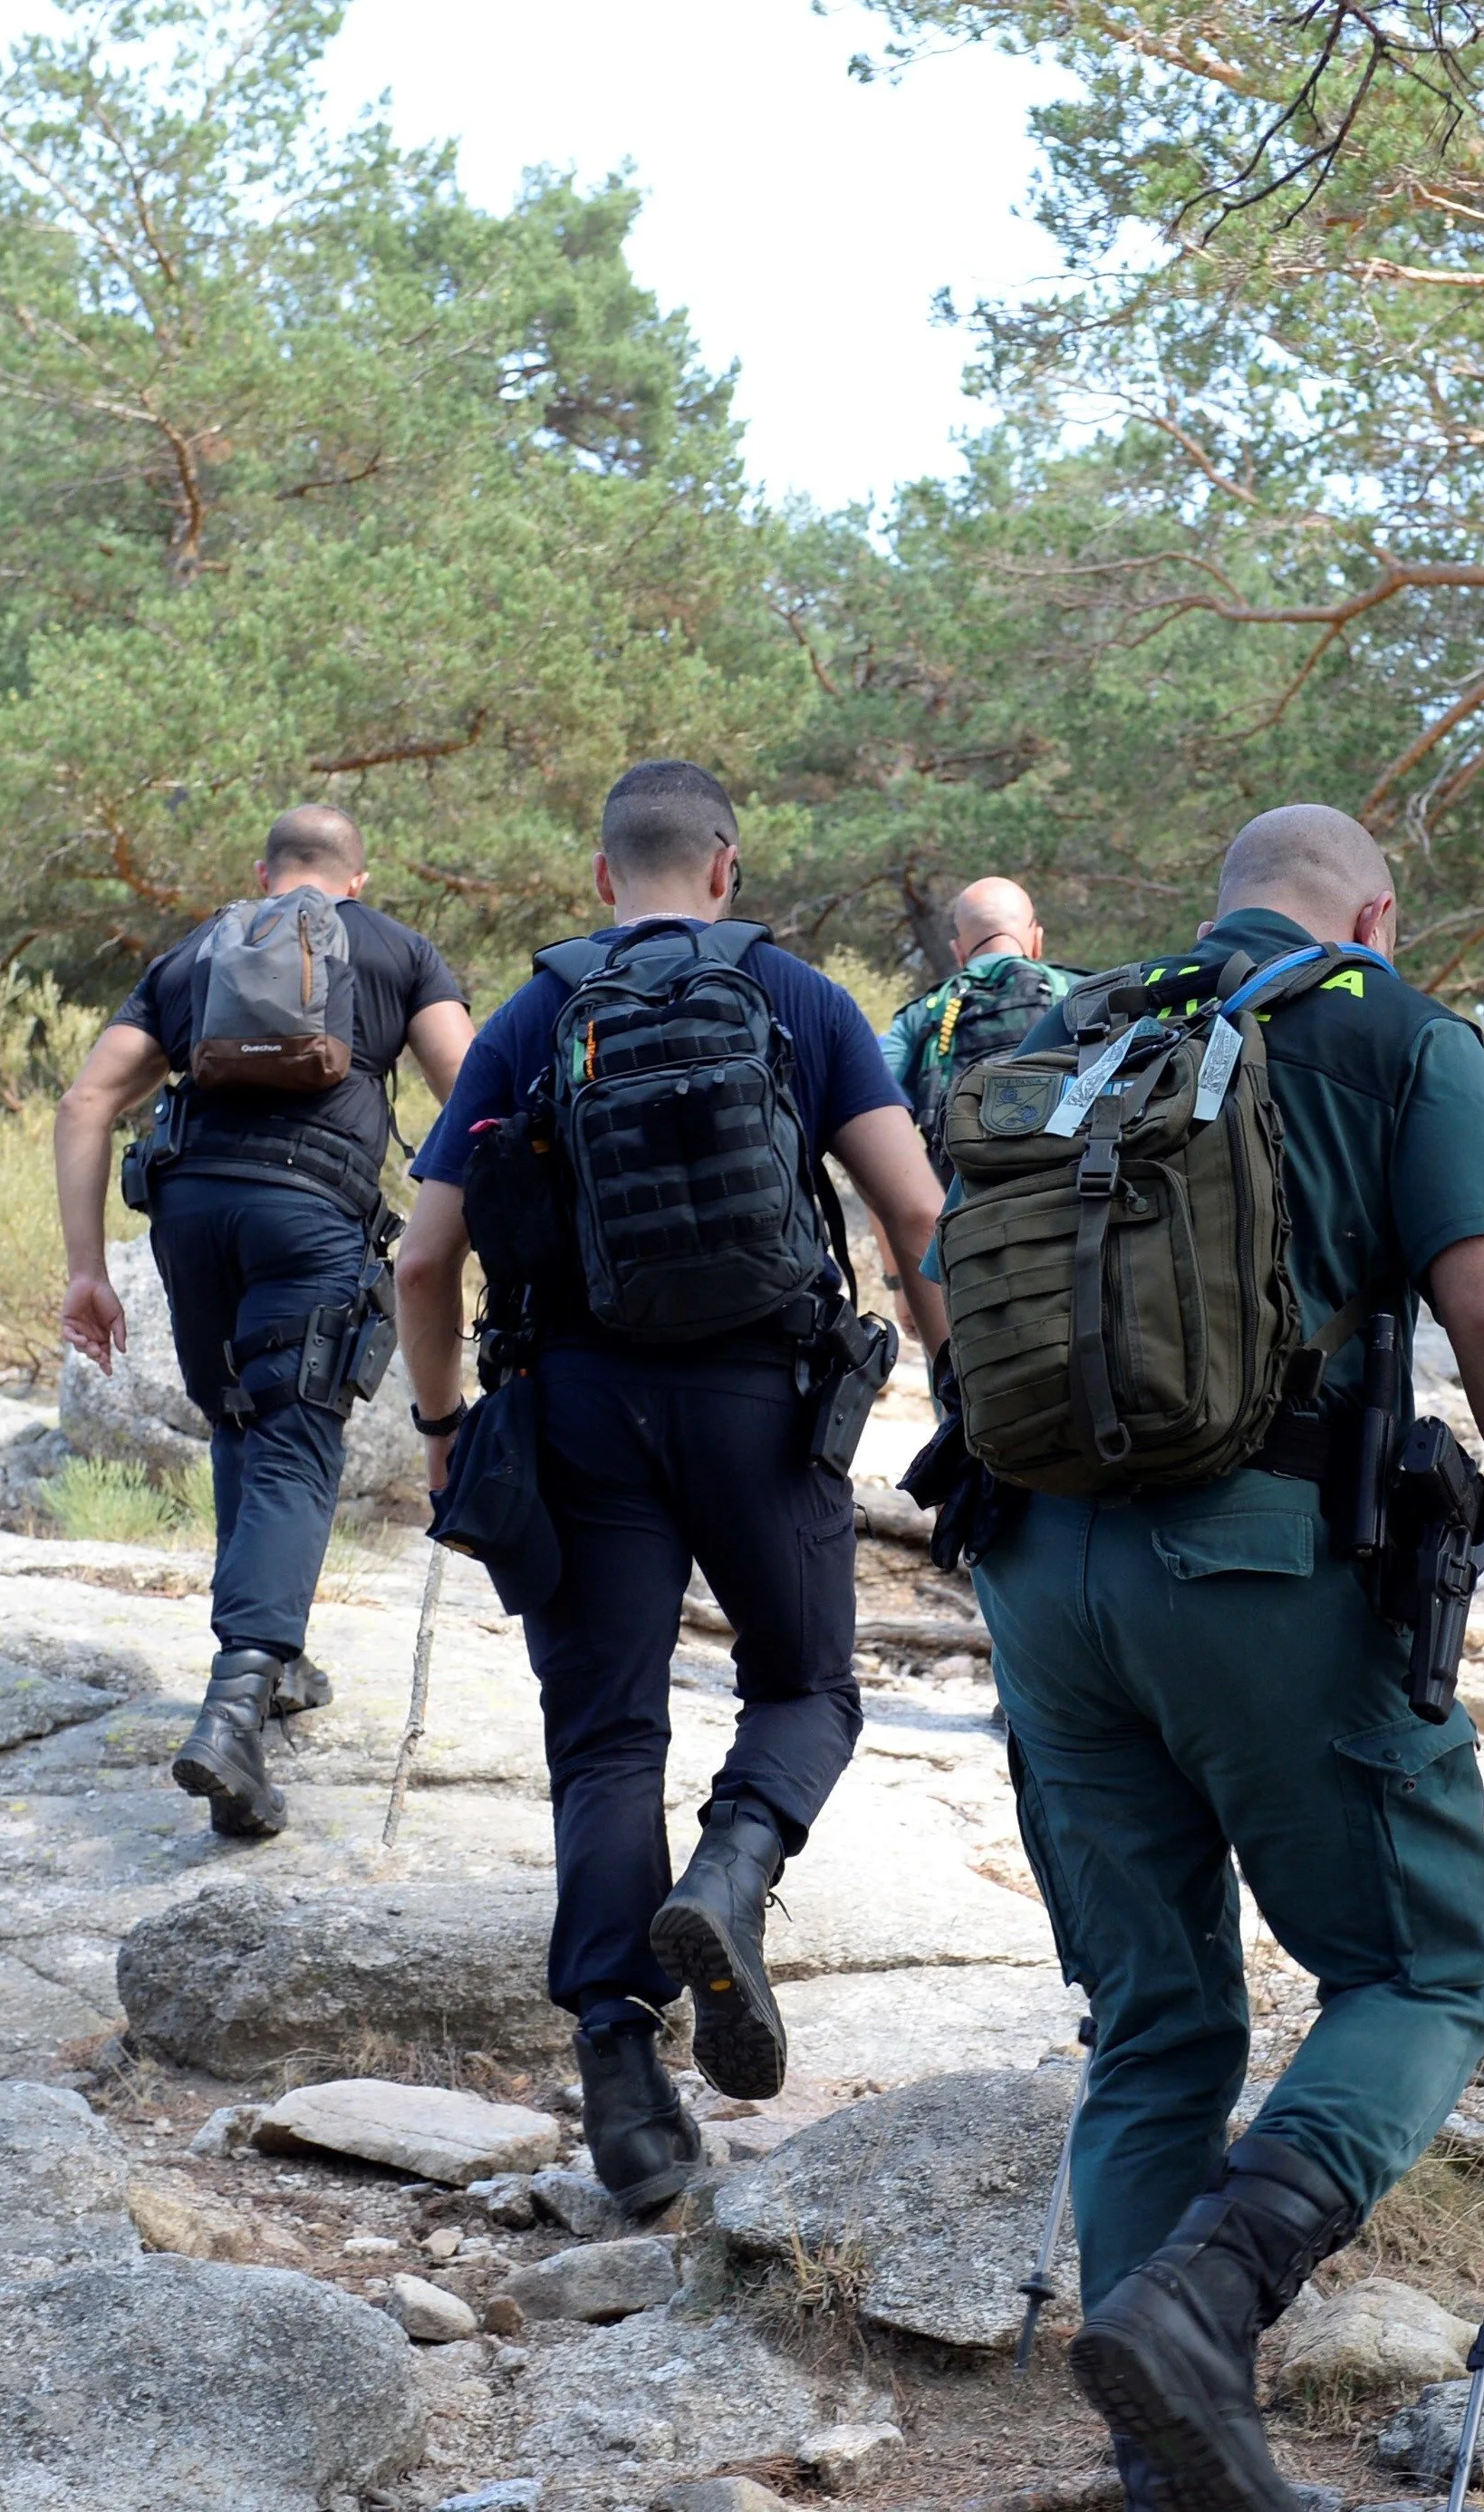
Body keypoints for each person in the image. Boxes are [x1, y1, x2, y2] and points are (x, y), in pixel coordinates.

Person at [962, 804, 1484, 2512]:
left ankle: (1170, 2471)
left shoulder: (1073, 1022)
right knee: (1420, 1972)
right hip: (1253, 1566)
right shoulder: (1383, 1026)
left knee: (1153, 2027)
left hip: (1034, 1571)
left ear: (1221, 903)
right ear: (1367, 911)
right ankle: (1208, 2305)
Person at [391, 760, 952, 2209]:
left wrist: (445, 1420)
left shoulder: (533, 1016)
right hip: (768, 1406)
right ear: (726, 867)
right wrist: (963, 1389)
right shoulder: (800, 999)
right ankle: (735, 1867)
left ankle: (625, 2087)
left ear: (601, 879)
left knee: (604, 1735)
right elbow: (914, 1209)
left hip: (579, 1409)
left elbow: (421, 1257)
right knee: (808, 1687)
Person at [54, 803, 475, 1841]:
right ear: (355, 880)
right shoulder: (397, 950)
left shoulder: (197, 950)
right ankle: (234, 1709)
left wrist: (80, 1271)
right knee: (293, 1436)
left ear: (264, 872)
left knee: (241, 1416)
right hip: (310, 1217)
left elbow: (85, 1104)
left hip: (188, 1219)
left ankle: (272, 1663)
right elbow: (470, 1094)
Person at [881, 874, 1074, 1130]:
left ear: (958, 951)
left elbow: (878, 1105)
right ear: (1037, 940)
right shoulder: (1084, 990)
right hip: (1074, 1166)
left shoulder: (919, 1015)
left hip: (958, 1167)